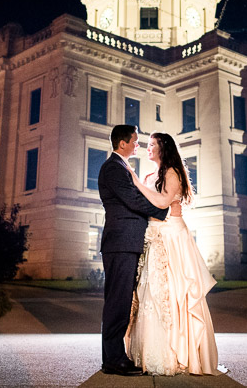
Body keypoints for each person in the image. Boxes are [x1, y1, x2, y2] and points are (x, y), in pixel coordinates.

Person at [124, 132, 222, 376]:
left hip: (172, 237)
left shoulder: (172, 173)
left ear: (163, 148)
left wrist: (135, 183)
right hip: (153, 236)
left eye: (153, 145)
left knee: (176, 293)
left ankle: (178, 352)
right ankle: (150, 353)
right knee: (150, 293)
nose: (148, 148)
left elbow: (163, 201)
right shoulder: (150, 175)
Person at [98, 125, 169, 376]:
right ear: (122, 144)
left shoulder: (121, 167)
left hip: (125, 242)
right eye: (135, 142)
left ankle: (113, 357)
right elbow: (132, 200)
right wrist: (162, 212)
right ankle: (114, 360)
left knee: (121, 301)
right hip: (120, 243)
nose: (138, 145)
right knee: (118, 302)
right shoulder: (113, 169)